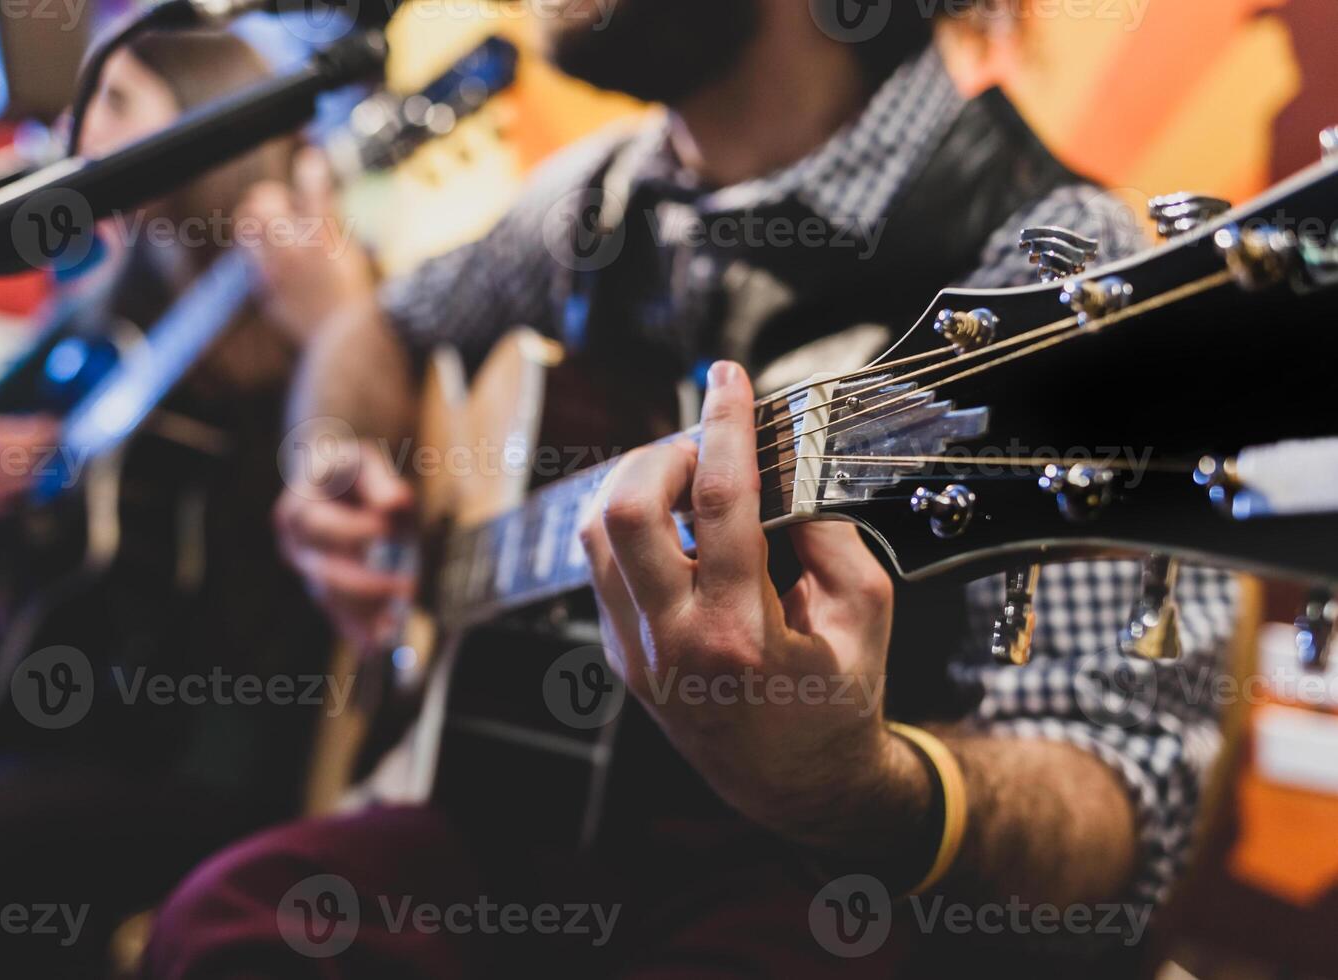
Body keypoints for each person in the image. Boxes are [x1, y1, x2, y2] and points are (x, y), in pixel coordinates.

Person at [146, 2, 1237, 975]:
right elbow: (374, 325)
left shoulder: (1057, 263)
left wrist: (852, 784)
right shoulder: (601, 193)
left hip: (823, 893)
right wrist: (331, 459)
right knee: (229, 921)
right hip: (545, 827)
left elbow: (1124, 790)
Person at [0, 30, 337, 979]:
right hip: (46, 701)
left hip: (188, 750)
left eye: (118, 103)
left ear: (205, 126)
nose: (79, 131)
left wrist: (327, 329)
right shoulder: (115, 288)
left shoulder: (293, 305)